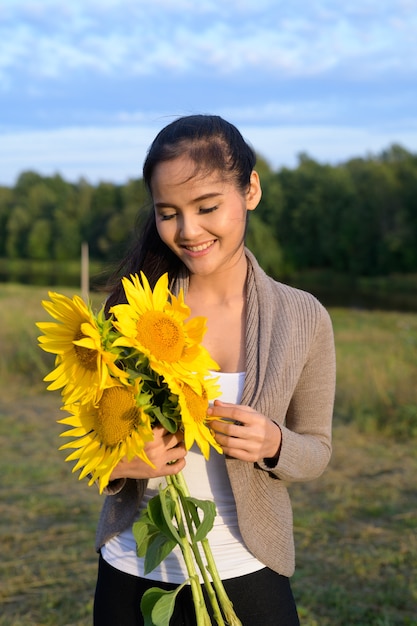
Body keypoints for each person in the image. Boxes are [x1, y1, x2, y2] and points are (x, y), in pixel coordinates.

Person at [93, 114, 336, 625]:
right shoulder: (132, 314)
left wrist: (274, 443)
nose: (188, 231)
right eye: (168, 213)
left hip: (249, 572)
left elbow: (317, 449)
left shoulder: (303, 317)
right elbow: (87, 447)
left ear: (250, 189)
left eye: (207, 207)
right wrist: (119, 464)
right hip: (134, 573)